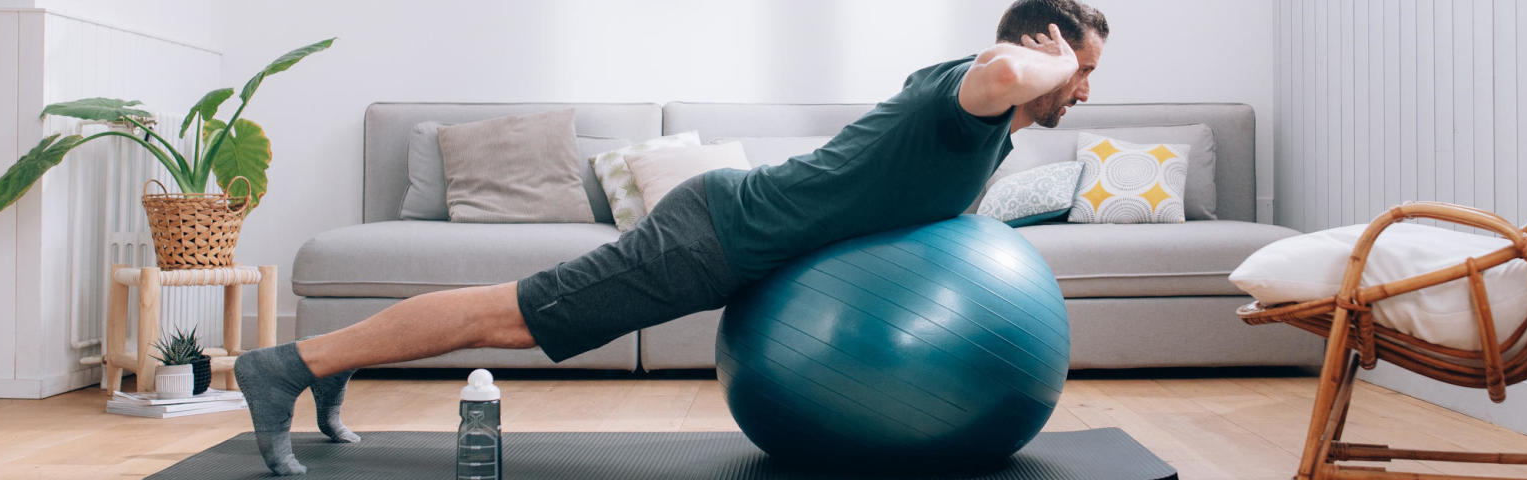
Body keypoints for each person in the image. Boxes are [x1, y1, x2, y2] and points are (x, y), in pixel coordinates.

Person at [233, 0, 1109, 474]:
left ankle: (328, 364)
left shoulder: (990, 129)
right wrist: (1058, 58)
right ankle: (290, 367)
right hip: (715, 237)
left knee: (514, 314)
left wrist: (1060, 65)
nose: (1082, 92)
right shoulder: (970, 94)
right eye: (1082, 72)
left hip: (737, 231)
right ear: (1046, 51)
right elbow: (1001, 67)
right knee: (513, 318)